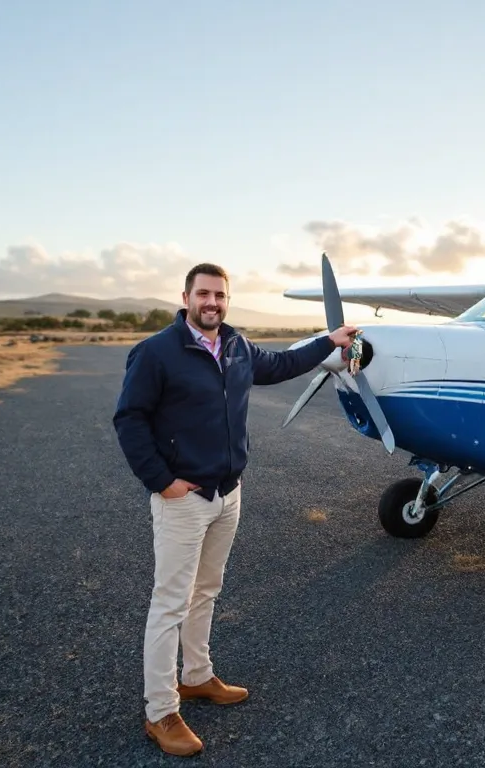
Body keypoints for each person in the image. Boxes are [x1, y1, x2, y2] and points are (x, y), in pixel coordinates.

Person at [112, 262, 356, 757]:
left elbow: (281, 365)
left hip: (227, 494)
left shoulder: (237, 346)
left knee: (207, 590)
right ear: (186, 298)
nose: (212, 303)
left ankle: (197, 676)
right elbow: (129, 419)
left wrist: (328, 342)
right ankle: (160, 711)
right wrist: (162, 481)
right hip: (183, 498)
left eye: (220, 295)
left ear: (227, 300)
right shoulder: (156, 352)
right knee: (170, 604)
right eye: (203, 294)